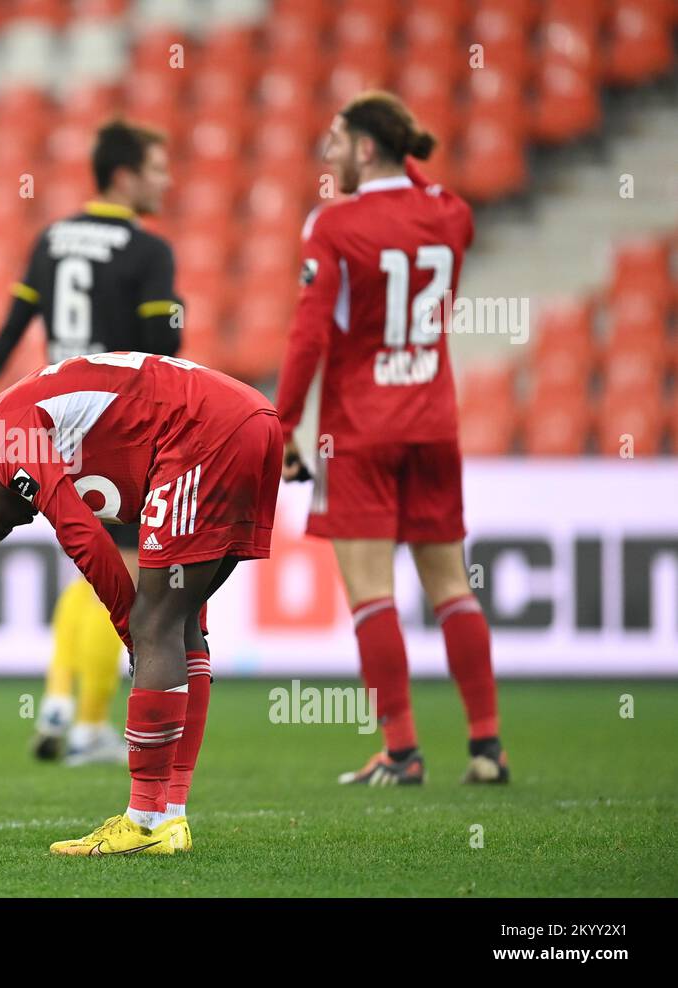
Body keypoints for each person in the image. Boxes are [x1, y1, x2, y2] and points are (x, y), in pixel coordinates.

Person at [0, 351, 281, 853]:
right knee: (182, 623)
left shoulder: (5, 438)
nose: (24, 522)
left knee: (154, 624)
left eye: (5, 522)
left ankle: (141, 821)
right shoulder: (24, 426)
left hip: (206, 429)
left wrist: (128, 628)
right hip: (248, 419)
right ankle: (171, 819)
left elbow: (82, 534)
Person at [276, 91, 507, 786]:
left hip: (361, 431)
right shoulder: (451, 212)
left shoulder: (334, 224)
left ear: (366, 147)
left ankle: (402, 751)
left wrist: (282, 423)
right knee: (452, 588)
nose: (328, 153)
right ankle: (487, 747)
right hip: (434, 421)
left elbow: (310, 333)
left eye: (337, 139)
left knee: (372, 594)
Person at [0, 119, 183, 765]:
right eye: (156, 168)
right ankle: (89, 727)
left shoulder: (53, 238)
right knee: (128, 573)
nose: (166, 181)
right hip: (120, 422)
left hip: (58, 419)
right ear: (124, 176)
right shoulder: (147, 250)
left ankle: (61, 696)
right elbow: (164, 348)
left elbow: (12, 327)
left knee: (90, 570)